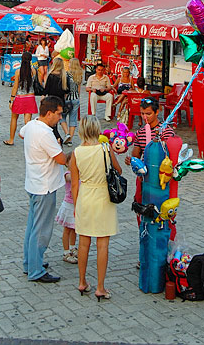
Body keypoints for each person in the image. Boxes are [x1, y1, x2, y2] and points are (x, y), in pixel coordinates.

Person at [70, 115, 121, 301]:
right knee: (102, 244)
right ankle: (100, 286)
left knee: (84, 243)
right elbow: (119, 171)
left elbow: (74, 184)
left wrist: (77, 206)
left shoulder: (76, 152)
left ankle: (82, 281)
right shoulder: (106, 149)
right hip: (103, 197)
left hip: (85, 196)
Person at [20, 96, 68, 283]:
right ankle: (36, 270)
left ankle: (30, 262)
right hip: (45, 187)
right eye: (58, 114)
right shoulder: (45, 134)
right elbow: (61, 159)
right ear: (49, 113)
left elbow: (21, 134)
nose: (60, 117)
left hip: (33, 183)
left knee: (32, 226)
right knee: (41, 230)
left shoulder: (33, 125)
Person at [125, 96, 175, 267]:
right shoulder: (140, 132)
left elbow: (172, 157)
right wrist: (132, 160)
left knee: (162, 218)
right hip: (143, 183)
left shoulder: (166, 132)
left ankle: (163, 254)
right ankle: (145, 254)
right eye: (142, 113)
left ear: (157, 112)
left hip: (160, 184)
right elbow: (135, 154)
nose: (145, 117)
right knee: (143, 217)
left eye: (148, 114)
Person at [4, 51, 38, 146]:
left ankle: (11, 139)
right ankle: (29, 141)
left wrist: (11, 99)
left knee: (14, 118)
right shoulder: (34, 71)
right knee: (28, 121)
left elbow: (15, 87)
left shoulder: (18, 72)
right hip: (30, 97)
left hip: (20, 97)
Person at [55, 154, 78, 264]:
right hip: (69, 205)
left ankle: (73, 247)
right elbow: (71, 178)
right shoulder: (67, 174)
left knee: (74, 228)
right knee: (67, 230)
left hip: (76, 205)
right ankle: (66, 251)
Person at [44, 57, 71, 142]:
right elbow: (67, 90)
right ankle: (56, 137)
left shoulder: (51, 75)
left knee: (51, 122)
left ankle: (57, 137)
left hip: (52, 100)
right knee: (56, 120)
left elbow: (46, 90)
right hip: (60, 101)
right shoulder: (64, 76)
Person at [60, 58, 84, 147]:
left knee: (62, 117)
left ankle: (67, 134)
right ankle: (70, 140)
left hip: (68, 98)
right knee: (73, 119)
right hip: (76, 98)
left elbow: (65, 88)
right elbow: (79, 89)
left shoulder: (67, 74)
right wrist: (78, 98)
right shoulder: (80, 75)